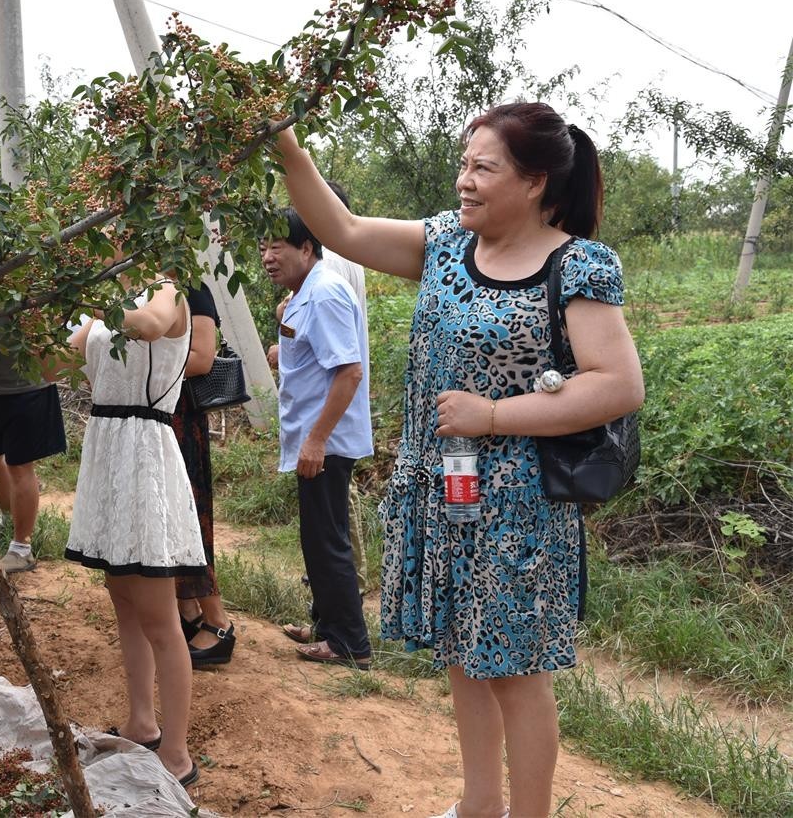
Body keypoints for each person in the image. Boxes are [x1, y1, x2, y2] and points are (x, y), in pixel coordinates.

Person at [274, 102, 645, 818]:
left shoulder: (577, 265)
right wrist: (288, 145)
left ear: (535, 182)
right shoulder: (445, 242)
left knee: (516, 672)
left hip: (519, 505)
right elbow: (343, 231)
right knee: (460, 655)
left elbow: (618, 384)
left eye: (484, 167)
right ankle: (481, 805)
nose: (464, 181)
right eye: (463, 164)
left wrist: (496, 414)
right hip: (442, 488)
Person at [61, 278, 206, 788]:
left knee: (160, 618)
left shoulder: (168, 291)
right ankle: (141, 723)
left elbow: (146, 325)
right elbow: (55, 365)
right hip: (107, 454)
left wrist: (89, 298)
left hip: (143, 455)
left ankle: (177, 753)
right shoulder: (102, 301)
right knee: (124, 601)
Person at [263, 207, 374, 668]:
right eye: (263, 248)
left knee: (327, 539)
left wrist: (317, 440)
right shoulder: (305, 291)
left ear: (307, 248)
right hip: (314, 436)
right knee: (318, 536)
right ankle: (330, 625)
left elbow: (349, 373)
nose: (268, 257)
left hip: (325, 441)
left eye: (278, 246)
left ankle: (350, 642)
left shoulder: (324, 292)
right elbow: (306, 350)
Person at [0, 176, 67, 575]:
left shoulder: (26, 259)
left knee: (21, 465)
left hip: (24, 384)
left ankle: (22, 547)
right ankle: (10, 519)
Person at [171, 282, 235, 667]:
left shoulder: (193, 289)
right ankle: (189, 611)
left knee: (189, 521)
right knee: (169, 524)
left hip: (181, 419)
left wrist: (139, 356)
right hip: (158, 417)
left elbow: (202, 359)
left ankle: (218, 621)